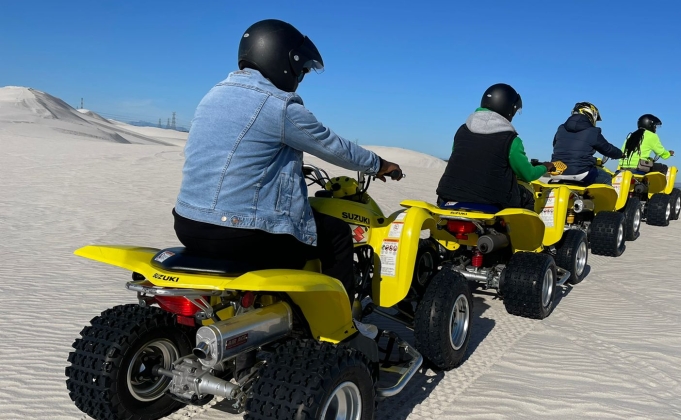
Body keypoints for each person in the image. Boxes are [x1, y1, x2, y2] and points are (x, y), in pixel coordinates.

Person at [173, 19, 403, 304]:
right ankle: (340, 321)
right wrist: (378, 164)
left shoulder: (214, 94)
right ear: (282, 61)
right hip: (238, 229)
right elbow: (333, 147)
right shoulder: (278, 104)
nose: (300, 77)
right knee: (337, 234)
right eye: (301, 70)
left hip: (187, 222)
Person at [436, 83, 553, 211]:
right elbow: (528, 174)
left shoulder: (462, 131)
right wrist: (545, 167)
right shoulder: (511, 140)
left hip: (448, 196)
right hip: (492, 200)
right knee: (528, 195)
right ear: (509, 109)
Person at [550, 102, 623, 185]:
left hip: (556, 171)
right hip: (580, 172)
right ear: (591, 115)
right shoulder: (593, 131)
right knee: (607, 178)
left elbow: (555, 145)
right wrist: (620, 154)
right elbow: (608, 149)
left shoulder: (561, 128)